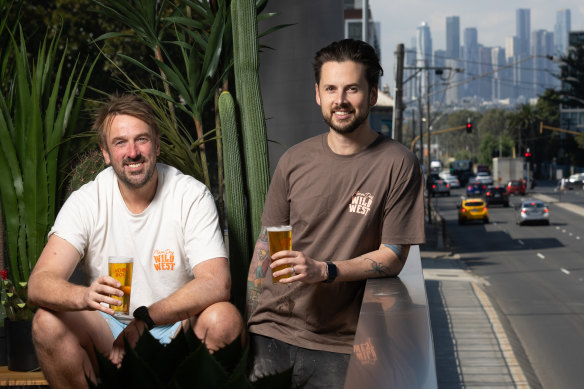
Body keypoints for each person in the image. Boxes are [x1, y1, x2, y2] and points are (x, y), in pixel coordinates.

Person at [28, 94, 244, 388]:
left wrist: (145, 320)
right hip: (111, 327)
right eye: (120, 142)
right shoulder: (87, 201)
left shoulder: (190, 195)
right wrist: (84, 297)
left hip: (175, 325)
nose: (132, 152)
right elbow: (39, 283)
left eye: (141, 139)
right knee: (46, 322)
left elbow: (217, 283)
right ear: (106, 153)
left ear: (156, 144)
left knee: (225, 319)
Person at [246, 39, 426, 388]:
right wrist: (248, 320)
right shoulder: (293, 161)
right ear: (318, 94)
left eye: (352, 89)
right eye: (330, 88)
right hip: (270, 331)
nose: (340, 100)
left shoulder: (397, 163)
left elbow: (392, 257)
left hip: (340, 343)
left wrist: (323, 270)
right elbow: (264, 250)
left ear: (372, 95)